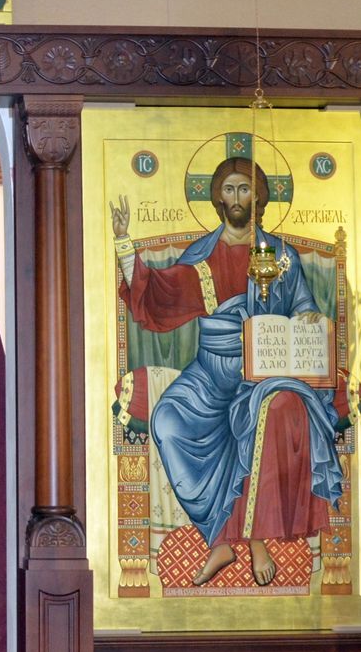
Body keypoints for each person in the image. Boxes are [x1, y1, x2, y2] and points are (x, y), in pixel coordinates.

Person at [116, 157, 341, 587]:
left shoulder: (283, 257)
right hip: (209, 372)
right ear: (218, 197)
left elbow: (304, 307)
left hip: (266, 370)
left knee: (271, 412)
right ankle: (218, 539)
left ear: (259, 196)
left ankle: (256, 540)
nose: (238, 198)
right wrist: (126, 245)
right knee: (167, 420)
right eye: (230, 189)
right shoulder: (202, 256)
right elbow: (159, 296)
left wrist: (308, 317)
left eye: (246, 189)